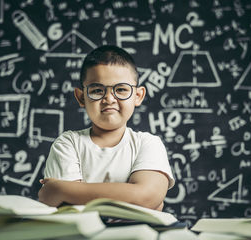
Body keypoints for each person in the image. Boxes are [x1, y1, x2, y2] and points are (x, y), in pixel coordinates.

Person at [38, 45, 174, 210]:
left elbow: (146, 196)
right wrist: (133, 196)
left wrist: (60, 189)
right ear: (81, 97)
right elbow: (66, 208)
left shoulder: (148, 144)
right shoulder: (68, 143)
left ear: (138, 96)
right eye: (97, 90)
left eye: (121, 89)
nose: (109, 99)